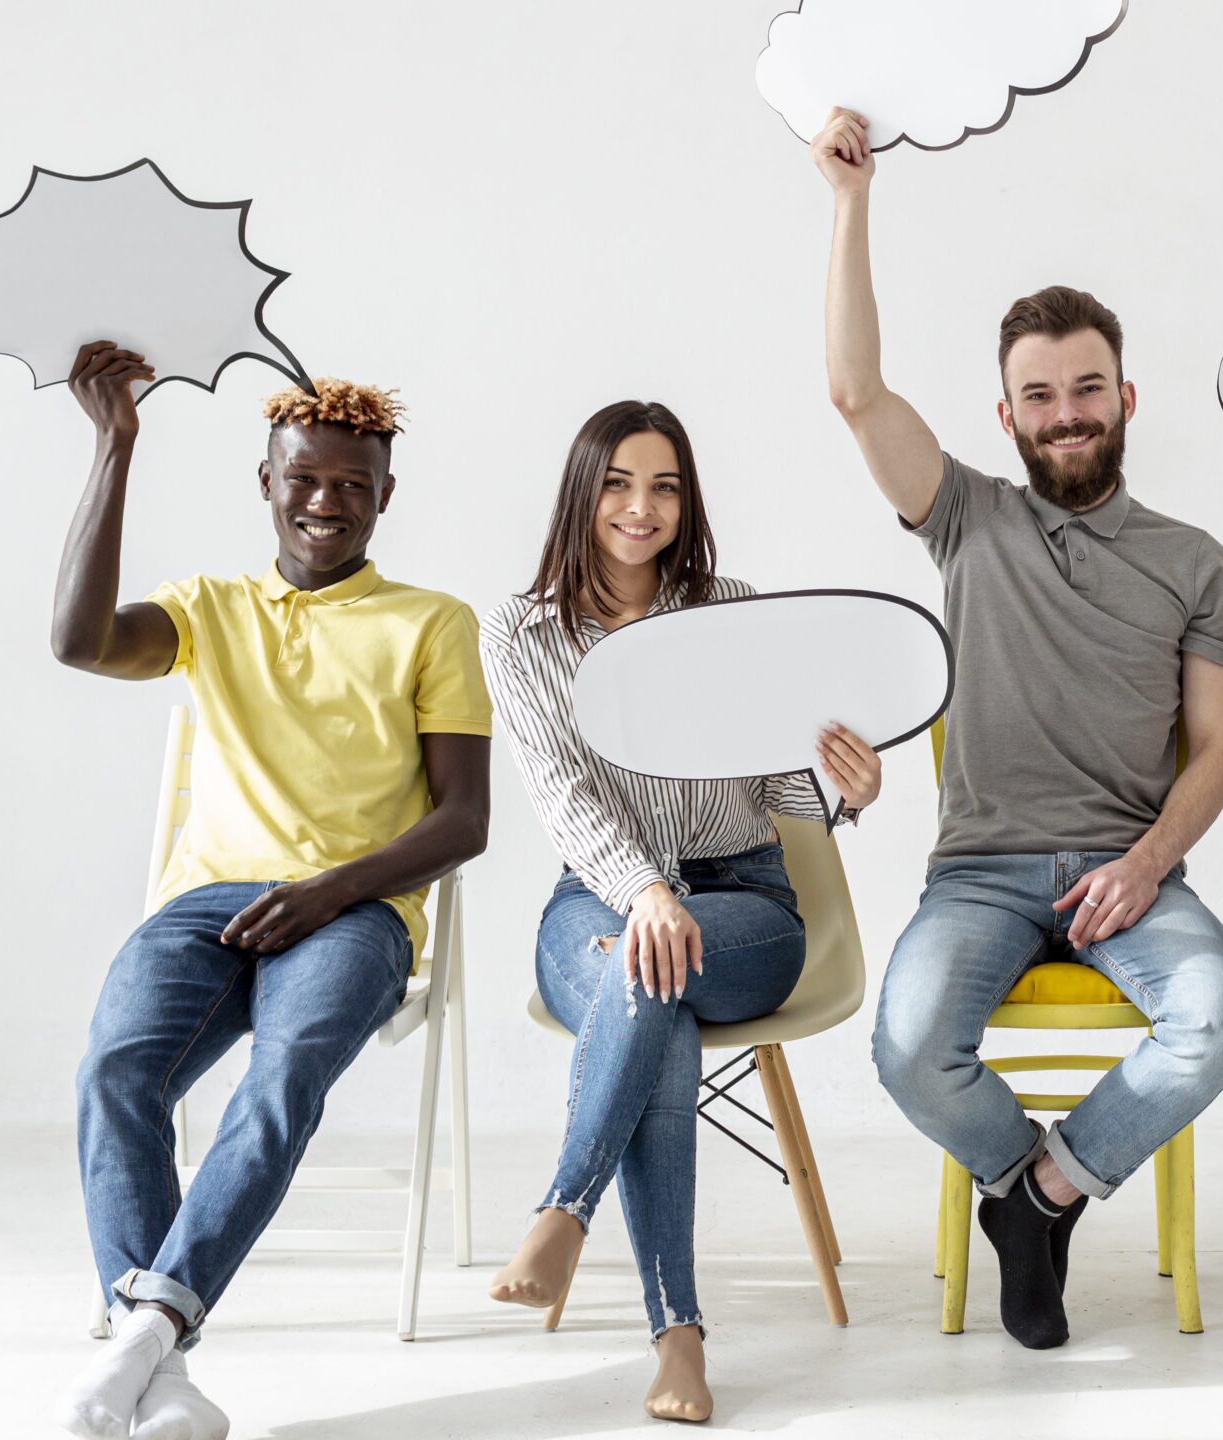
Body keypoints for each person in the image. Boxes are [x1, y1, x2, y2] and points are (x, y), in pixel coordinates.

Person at [811, 108, 1223, 1349]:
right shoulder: (969, 520)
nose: (1066, 412)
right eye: (1037, 396)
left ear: (1124, 396)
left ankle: (1045, 1197)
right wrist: (850, 203)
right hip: (980, 876)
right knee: (909, 1050)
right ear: (1005, 417)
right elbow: (855, 392)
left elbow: (1215, 750)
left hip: (1133, 873)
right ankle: (1024, 1189)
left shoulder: (1194, 561)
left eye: (1085, 388)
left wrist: (1146, 863)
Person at [51, 344, 491, 1440]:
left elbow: (462, 822)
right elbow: (76, 641)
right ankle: (165, 1369)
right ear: (266, 483)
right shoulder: (209, 607)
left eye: (352, 484)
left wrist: (325, 894)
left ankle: (138, 1338)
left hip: (356, 911)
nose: (326, 501)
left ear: (386, 496)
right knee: (116, 1070)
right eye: (304, 477)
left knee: (284, 1076)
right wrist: (115, 446)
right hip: (208, 903)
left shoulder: (431, 623)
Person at [477, 400, 882, 1422]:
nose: (640, 507)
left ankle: (565, 1212)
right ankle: (679, 1342)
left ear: (686, 501)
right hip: (597, 900)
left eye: (664, 486)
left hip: (745, 900)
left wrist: (846, 788)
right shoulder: (521, 633)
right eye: (617, 482)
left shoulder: (730, 610)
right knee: (646, 968)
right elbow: (562, 794)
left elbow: (787, 798)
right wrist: (647, 893)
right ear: (582, 491)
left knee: (652, 964)